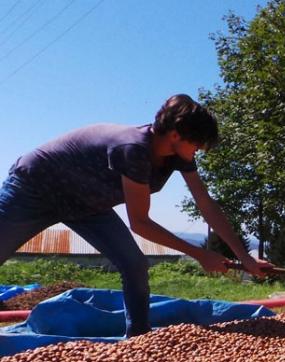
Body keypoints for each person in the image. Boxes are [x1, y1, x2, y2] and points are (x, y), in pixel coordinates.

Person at [0, 94, 267, 336]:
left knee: (134, 264)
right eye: (197, 143)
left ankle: (139, 338)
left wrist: (244, 258)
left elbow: (205, 203)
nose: (200, 149)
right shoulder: (134, 149)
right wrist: (200, 254)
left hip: (86, 205)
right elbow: (140, 223)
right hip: (35, 188)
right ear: (175, 134)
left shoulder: (179, 156)